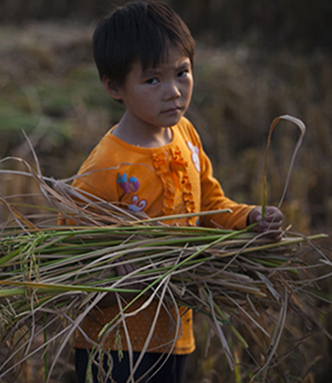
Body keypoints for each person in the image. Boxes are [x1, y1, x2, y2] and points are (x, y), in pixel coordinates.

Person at [70, 1, 284, 382]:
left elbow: (211, 203)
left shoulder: (185, 136)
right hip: (114, 342)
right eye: (153, 80)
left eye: (182, 73)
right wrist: (107, 269)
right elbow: (71, 248)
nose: (173, 92)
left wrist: (250, 217)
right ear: (113, 87)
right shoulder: (106, 165)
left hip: (174, 332)